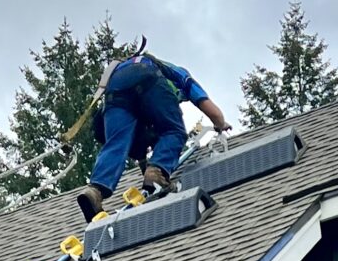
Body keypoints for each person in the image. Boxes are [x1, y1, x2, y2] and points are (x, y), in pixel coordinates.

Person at [77, 53, 229, 223]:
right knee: (174, 131)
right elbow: (212, 111)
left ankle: (95, 191)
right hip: (147, 75)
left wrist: (145, 165)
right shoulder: (179, 74)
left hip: (115, 87)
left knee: (116, 143)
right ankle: (157, 172)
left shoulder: (128, 75)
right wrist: (220, 124)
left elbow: (140, 141)